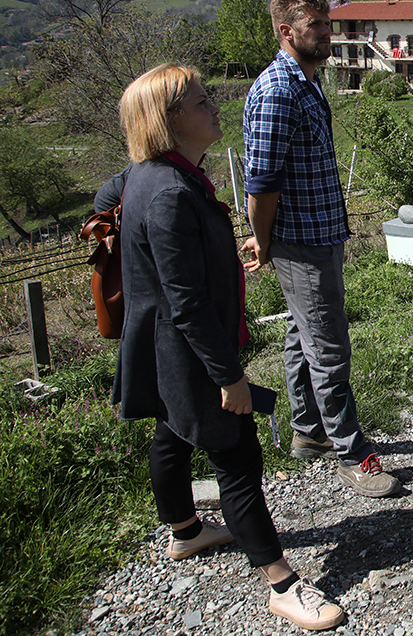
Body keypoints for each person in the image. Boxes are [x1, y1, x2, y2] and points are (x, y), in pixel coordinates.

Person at [114, 63, 344, 630]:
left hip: (155, 345)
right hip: (189, 351)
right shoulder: (170, 194)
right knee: (238, 459)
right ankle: (282, 585)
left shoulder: (145, 175)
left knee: (170, 432)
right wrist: (228, 378)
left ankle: (186, 532)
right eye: (199, 102)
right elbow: (187, 302)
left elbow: (113, 199)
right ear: (168, 121)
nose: (215, 107)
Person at [243, 0, 399, 498]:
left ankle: (309, 431)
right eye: (317, 26)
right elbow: (261, 182)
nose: (329, 33)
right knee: (328, 347)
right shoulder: (278, 91)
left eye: (329, 23)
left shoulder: (306, 82)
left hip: (320, 233)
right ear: (286, 31)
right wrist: (260, 242)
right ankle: (351, 453)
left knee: (301, 333)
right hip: (300, 240)